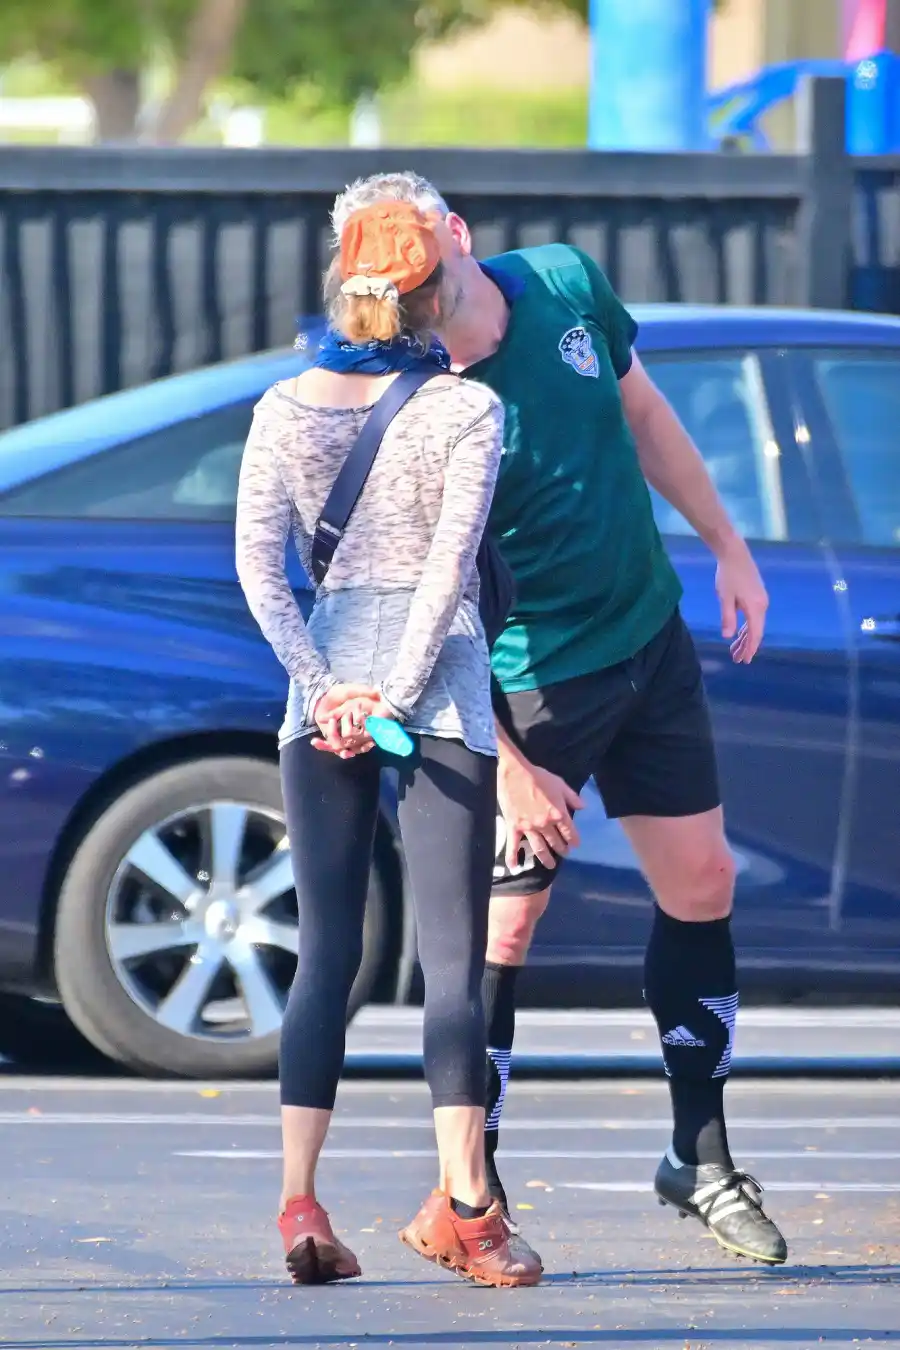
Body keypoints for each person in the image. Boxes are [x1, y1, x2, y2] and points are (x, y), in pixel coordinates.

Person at [326, 173, 788, 1270]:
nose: (414, 310)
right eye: (389, 296)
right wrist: (512, 760)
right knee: (503, 931)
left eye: (422, 284)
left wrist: (727, 544)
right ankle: (468, 1196)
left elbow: (642, 413)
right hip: (519, 683)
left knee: (704, 886)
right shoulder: (407, 391)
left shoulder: (567, 282)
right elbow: (412, 603)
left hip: (645, 639)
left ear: (458, 238)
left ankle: (699, 1158)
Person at [235, 200, 541, 1289]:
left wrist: (328, 692)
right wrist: (394, 697)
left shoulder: (280, 406)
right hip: (440, 689)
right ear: (427, 294)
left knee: (329, 953)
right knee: (453, 960)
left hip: (318, 693)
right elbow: (453, 571)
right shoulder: (465, 411)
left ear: (340, 286)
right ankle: (469, 1207)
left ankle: (300, 1203)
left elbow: (259, 572)